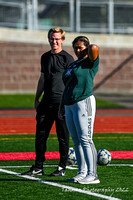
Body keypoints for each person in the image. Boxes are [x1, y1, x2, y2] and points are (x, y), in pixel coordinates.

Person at [21, 27, 74, 176]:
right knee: (40, 135)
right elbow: (42, 79)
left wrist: (66, 104)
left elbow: (71, 82)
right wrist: (37, 98)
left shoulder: (67, 58)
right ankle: (38, 166)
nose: (54, 41)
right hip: (46, 103)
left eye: (57, 39)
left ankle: (62, 167)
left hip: (61, 104)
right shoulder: (44, 57)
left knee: (62, 137)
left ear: (62, 40)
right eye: (52, 38)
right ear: (48, 39)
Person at [59, 36, 100, 184]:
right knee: (76, 141)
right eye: (75, 47)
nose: (77, 50)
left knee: (86, 139)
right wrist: (62, 105)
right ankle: (82, 172)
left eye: (80, 47)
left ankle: (93, 174)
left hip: (83, 101)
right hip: (69, 104)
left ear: (86, 47)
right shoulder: (74, 64)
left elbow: (95, 48)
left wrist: (88, 48)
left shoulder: (90, 61)